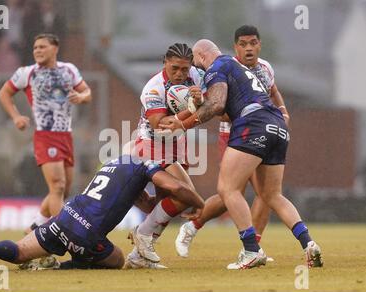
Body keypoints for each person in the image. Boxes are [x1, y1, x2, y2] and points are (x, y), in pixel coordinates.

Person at [160, 39, 323, 269]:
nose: (194, 69)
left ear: (202, 56)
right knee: (272, 195)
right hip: (277, 125)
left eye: (195, 62)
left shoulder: (216, 67)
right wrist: (189, 110)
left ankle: (251, 250)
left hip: (253, 124)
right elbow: (225, 111)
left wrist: (182, 125)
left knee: (228, 189)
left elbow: (216, 105)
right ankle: (309, 244)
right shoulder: (238, 69)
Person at [0, 154, 204, 271]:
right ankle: (60, 268)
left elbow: (146, 205)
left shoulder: (116, 163)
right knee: (116, 260)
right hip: (86, 232)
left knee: (19, 253)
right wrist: (199, 205)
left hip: (64, 216)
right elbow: (174, 186)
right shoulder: (146, 165)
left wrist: (155, 205)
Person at [175, 25, 289, 259]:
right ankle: (192, 227)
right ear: (235, 47)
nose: (248, 48)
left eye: (253, 43)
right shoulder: (221, 68)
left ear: (259, 44)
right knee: (231, 192)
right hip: (234, 132)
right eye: (243, 44)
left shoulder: (265, 67)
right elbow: (218, 108)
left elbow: (274, 91)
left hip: (262, 130)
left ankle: (253, 248)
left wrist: (283, 111)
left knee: (265, 194)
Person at [0, 33, 92, 231]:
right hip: (45, 135)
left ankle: (35, 227)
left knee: (63, 190)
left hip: (66, 135)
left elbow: (87, 92)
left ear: (55, 48)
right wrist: (16, 117)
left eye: (42, 47)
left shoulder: (69, 70)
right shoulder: (27, 73)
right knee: (57, 186)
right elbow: (4, 93)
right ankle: (62, 236)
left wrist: (81, 97)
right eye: (35, 48)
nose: (37, 51)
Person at [124, 43, 206, 267]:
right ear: (165, 63)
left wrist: (201, 101)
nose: (180, 74)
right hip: (151, 143)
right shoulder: (154, 88)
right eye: (175, 68)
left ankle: (138, 256)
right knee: (185, 196)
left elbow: (208, 103)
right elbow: (159, 124)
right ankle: (142, 234)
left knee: (164, 205)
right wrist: (194, 106)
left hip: (177, 144)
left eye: (184, 69)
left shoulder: (196, 77)